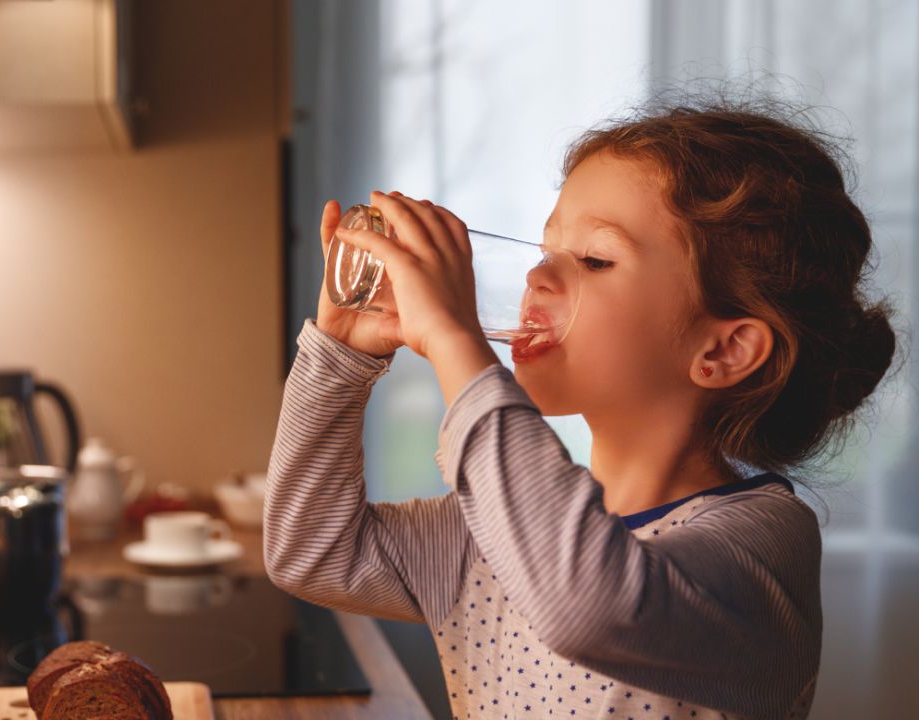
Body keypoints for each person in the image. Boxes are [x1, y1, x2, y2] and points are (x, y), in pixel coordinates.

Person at [262, 98, 899, 720]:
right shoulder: (494, 535)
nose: (539, 276)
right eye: (545, 250)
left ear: (723, 350)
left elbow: (584, 599)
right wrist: (340, 355)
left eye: (595, 259)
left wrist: (457, 341)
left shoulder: (761, 549)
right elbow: (311, 551)